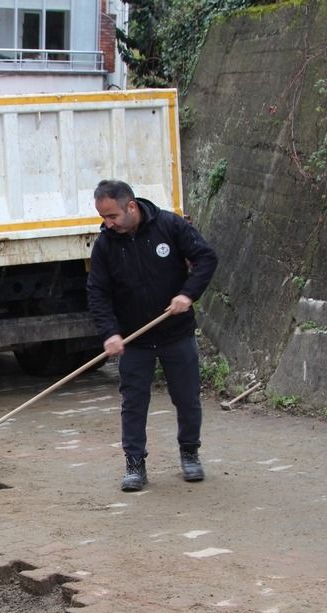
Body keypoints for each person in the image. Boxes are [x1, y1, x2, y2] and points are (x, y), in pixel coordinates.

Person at [87, 179, 219, 492]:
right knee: (133, 403)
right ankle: (135, 464)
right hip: (135, 340)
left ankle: (190, 452)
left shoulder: (169, 226)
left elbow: (206, 258)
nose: (108, 224)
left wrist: (188, 294)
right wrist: (110, 333)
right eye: (103, 218)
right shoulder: (105, 245)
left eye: (112, 216)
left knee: (187, 398)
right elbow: (98, 293)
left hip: (176, 333)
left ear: (130, 206)